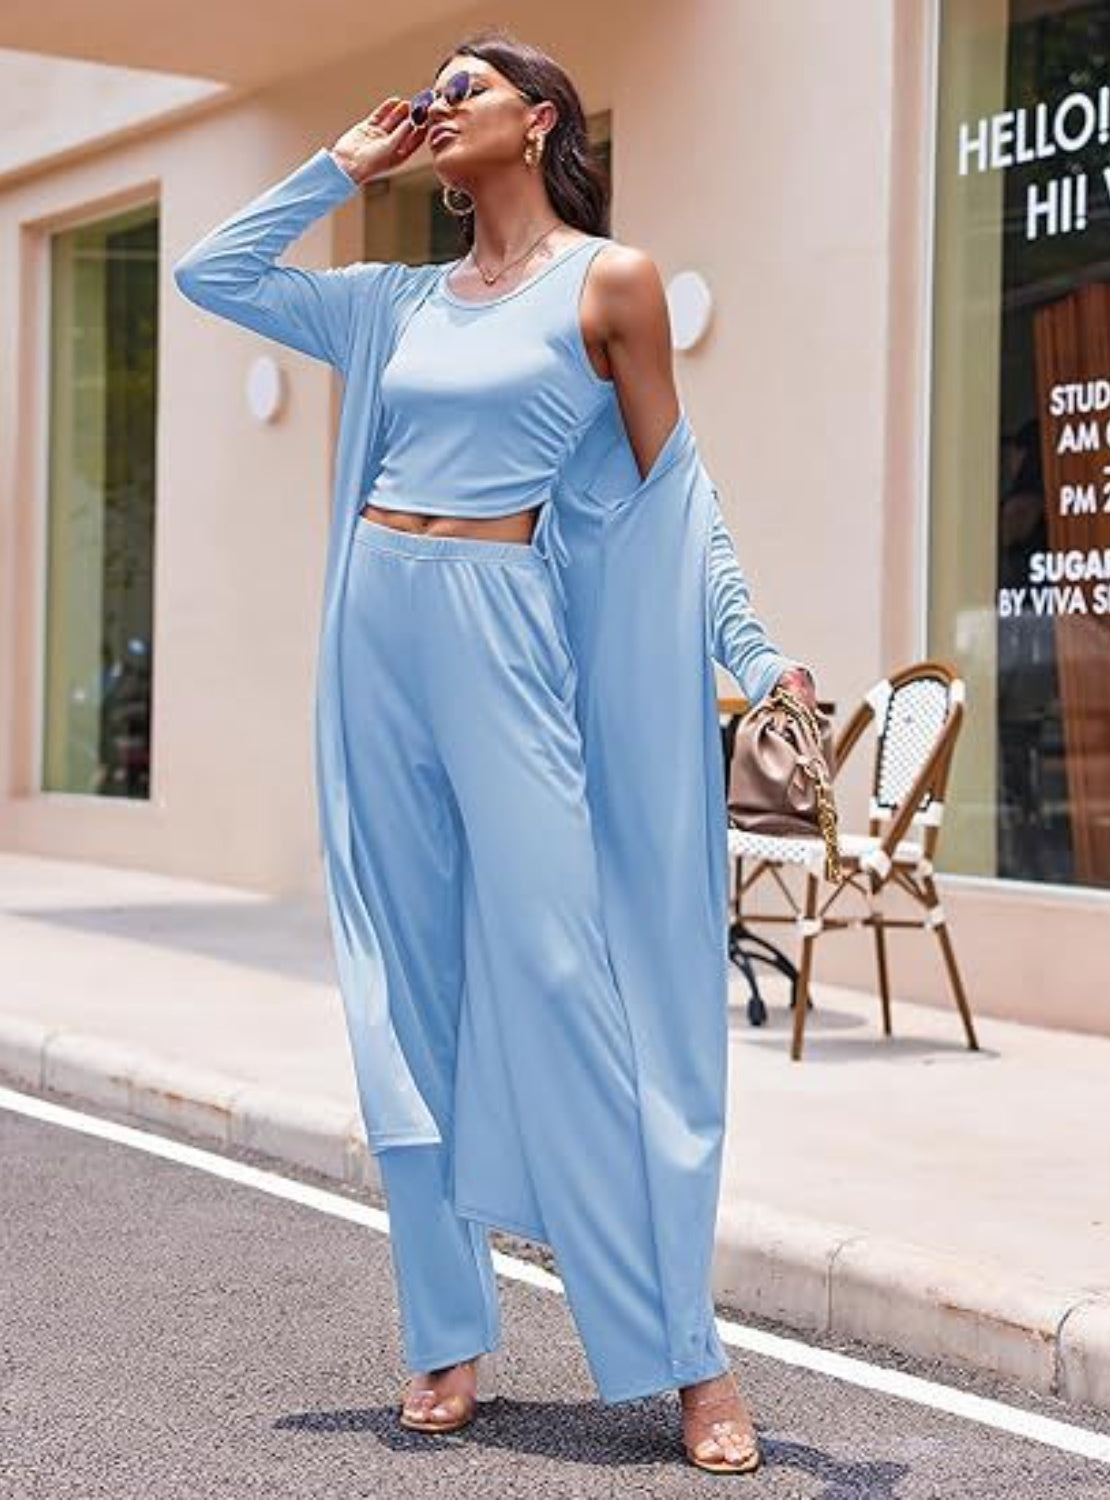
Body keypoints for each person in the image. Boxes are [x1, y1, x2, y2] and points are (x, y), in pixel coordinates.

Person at [174, 26, 818, 1476]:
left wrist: (749, 644)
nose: (439, 103)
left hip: (505, 628)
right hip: (375, 640)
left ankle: (680, 1356)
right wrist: (339, 164)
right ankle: (444, 1331)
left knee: (557, 977)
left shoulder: (612, 281)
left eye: (469, 87)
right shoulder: (393, 302)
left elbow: (677, 495)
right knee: (404, 985)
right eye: (435, 87)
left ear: (538, 123)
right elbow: (208, 272)